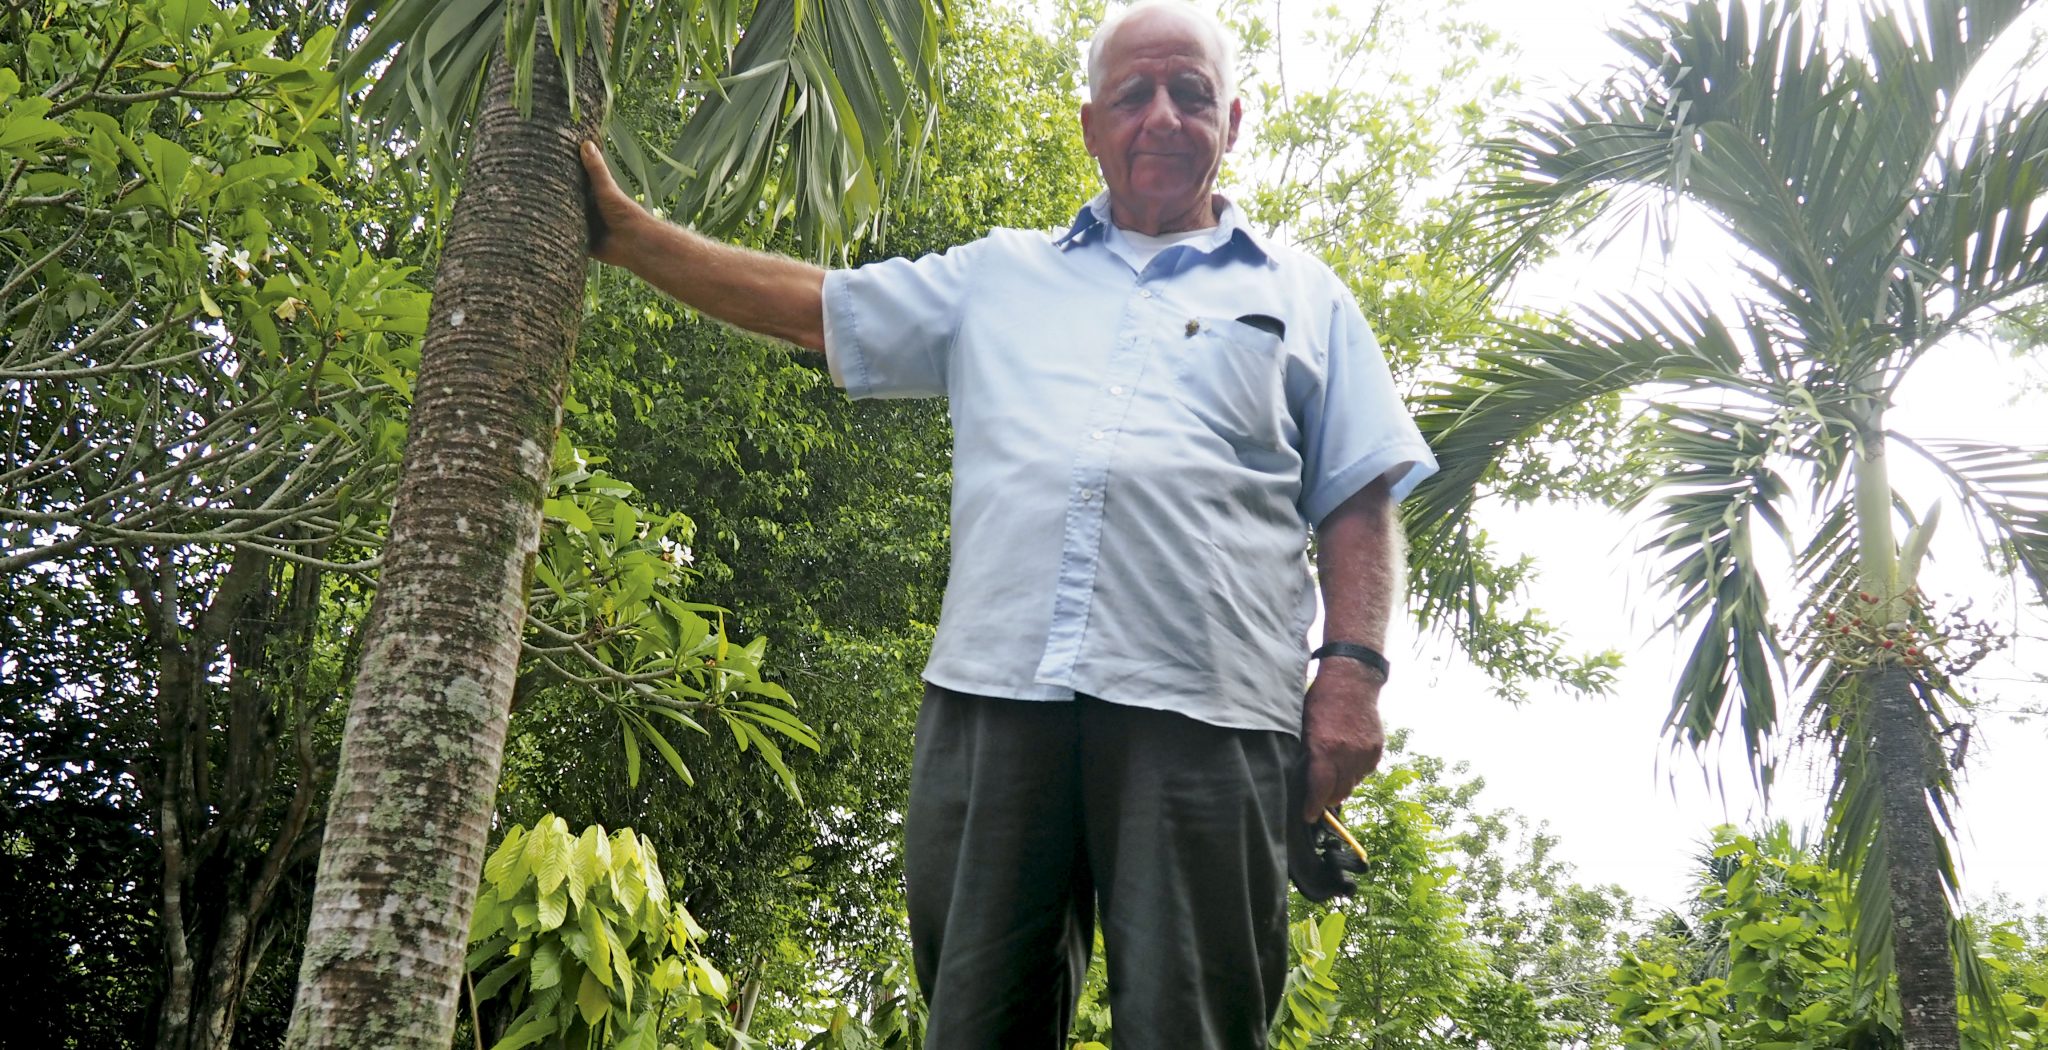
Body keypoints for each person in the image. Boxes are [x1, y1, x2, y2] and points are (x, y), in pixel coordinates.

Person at [580, 2, 1437, 1044]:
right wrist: (629, 240)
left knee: (1194, 1027)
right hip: (994, 697)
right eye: (1133, 95)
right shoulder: (997, 275)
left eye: (1190, 94)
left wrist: (1350, 676)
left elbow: (1356, 493)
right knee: (977, 1020)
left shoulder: (1302, 295)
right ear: (1090, 126)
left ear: (1234, 121)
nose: (1162, 116)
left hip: (1209, 709)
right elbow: (819, 307)